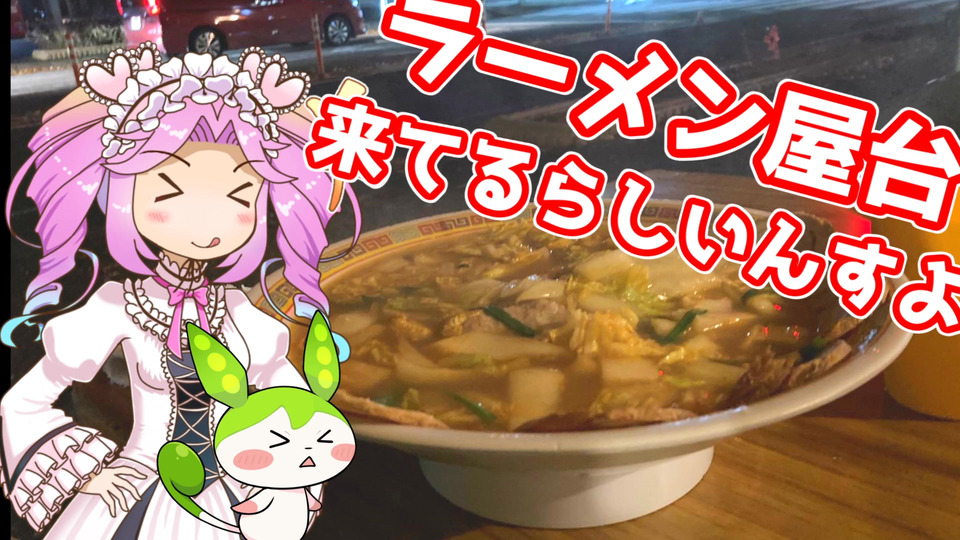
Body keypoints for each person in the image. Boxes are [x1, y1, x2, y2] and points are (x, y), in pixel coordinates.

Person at [1, 43, 358, 539]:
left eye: (239, 198)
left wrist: (301, 445)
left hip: (240, 482)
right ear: (122, 194)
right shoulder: (119, 307)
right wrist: (88, 475)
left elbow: (285, 390)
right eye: (170, 192)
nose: (208, 220)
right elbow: (21, 403)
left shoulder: (236, 309)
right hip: (139, 487)